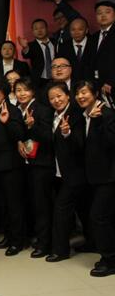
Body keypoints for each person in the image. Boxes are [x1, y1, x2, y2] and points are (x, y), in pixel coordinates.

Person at [45, 82, 90, 263]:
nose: (56, 100)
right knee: (83, 209)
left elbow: (81, 144)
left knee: (61, 210)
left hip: (75, 173)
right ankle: (92, 242)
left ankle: (61, 250)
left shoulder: (76, 114)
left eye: (59, 96)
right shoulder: (54, 115)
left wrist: (67, 133)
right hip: (60, 172)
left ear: (67, 95)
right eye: (52, 98)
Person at [75, 80, 115, 276]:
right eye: (78, 93)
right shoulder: (86, 115)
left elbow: (111, 143)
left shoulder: (106, 114)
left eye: (84, 92)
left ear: (95, 94)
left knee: (99, 217)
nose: (80, 96)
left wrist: (98, 122)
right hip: (95, 176)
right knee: (103, 217)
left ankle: (110, 260)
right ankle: (107, 255)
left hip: (109, 176)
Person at [15, 77, 55, 259]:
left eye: (25, 90)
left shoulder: (42, 109)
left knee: (42, 205)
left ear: (32, 92)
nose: (21, 93)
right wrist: (19, 141)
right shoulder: (18, 110)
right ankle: (38, 238)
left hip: (42, 164)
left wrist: (33, 126)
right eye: (18, 90)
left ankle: (45, 243)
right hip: (27, 165)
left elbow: (48, 137)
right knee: (33, 203)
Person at [0, 77, 26, 256]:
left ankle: (18, 241)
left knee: (14, 204)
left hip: (11, 165)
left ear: (4, 91)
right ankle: (8, 236)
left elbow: (20, 134)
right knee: (2, 204)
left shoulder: (12, 110)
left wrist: (7, 122)